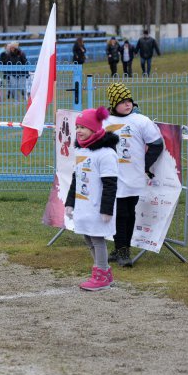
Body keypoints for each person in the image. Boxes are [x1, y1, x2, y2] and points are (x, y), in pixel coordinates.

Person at [104, 83, 163, 267]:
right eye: (122, 101)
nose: (127, 104)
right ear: (114, 104)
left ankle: (121, 247)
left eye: (129, 100)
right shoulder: (105, 122)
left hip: (135, 178)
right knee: (120, 214)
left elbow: (156, 144)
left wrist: (143, 165)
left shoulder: (141, 121)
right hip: (115, 178)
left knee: (129, 213)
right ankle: (123, 251)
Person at [65, 106, 119, 291]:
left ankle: (101, 274)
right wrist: (70, 203)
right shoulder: (82, 151)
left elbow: (110, 184)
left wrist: (106, 209)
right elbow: (76, 178)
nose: (79, 131)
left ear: (95, 129)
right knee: (87, 237)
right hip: (83, 206)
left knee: (97, 238)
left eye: (83, 127)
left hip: (97, 207)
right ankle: (102, 271)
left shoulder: (106, 154)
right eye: (77, 127)